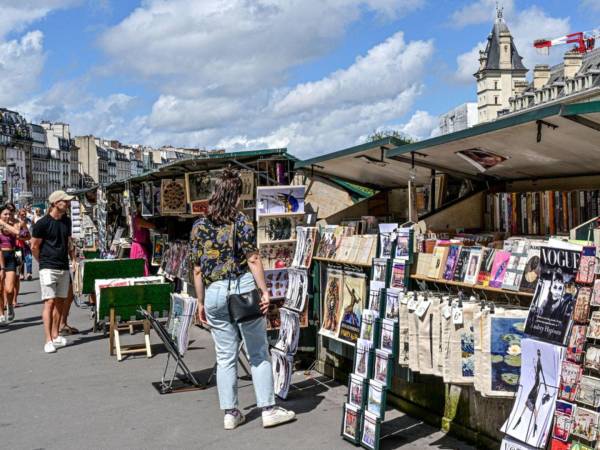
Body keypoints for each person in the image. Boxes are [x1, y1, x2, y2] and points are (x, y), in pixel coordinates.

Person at [191, 168, 295, 430]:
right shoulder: (242, 222)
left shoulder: (199, 226)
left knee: (225, 356)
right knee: (258, 351)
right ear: (235, 195)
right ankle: (268, 409)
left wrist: (201, 302)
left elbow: (196, 269)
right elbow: (253, 259)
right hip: (242, 289)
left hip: (213, 293)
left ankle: (230, 413)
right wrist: (265, 291)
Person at [31, 190, 75, 354]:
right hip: (48, 266)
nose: (68, 203)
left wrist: (73, 258)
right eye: (65, 201)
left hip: (63, 265)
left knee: (60, 302)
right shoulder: (42, 223)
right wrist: (42, 263)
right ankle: (48, 339)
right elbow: (34, 246)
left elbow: (68, 242)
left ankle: (56, 334)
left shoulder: (67, 221)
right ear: (56, 203)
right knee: (49, 302)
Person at [0, 204, 26, 322]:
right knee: (0, 288)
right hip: (0, 256)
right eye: (5, 213)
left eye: (10, 213)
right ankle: (1, 313)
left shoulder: (13, 224)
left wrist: (6, 223)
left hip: (10, 256)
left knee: (9, 289)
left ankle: (10, 305)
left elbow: (19, 233)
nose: (8, 215)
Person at [130, 202, 155, 276]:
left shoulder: (138, 218)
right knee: (142, 267)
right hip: (139, 248)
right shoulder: (138, 219)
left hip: (138, 246)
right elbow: (152, 226)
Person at [17, 208, 33, 281]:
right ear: (19, 214)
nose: (23, 215)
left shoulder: (29, 221)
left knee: (29, 258)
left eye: (24, 214)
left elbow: (32, 231)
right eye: (22, 214)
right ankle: (21, 274)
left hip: (28, 243)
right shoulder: (16, 222)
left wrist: (31, 240)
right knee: (21, 259)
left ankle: (29, 273)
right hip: (18, 243)